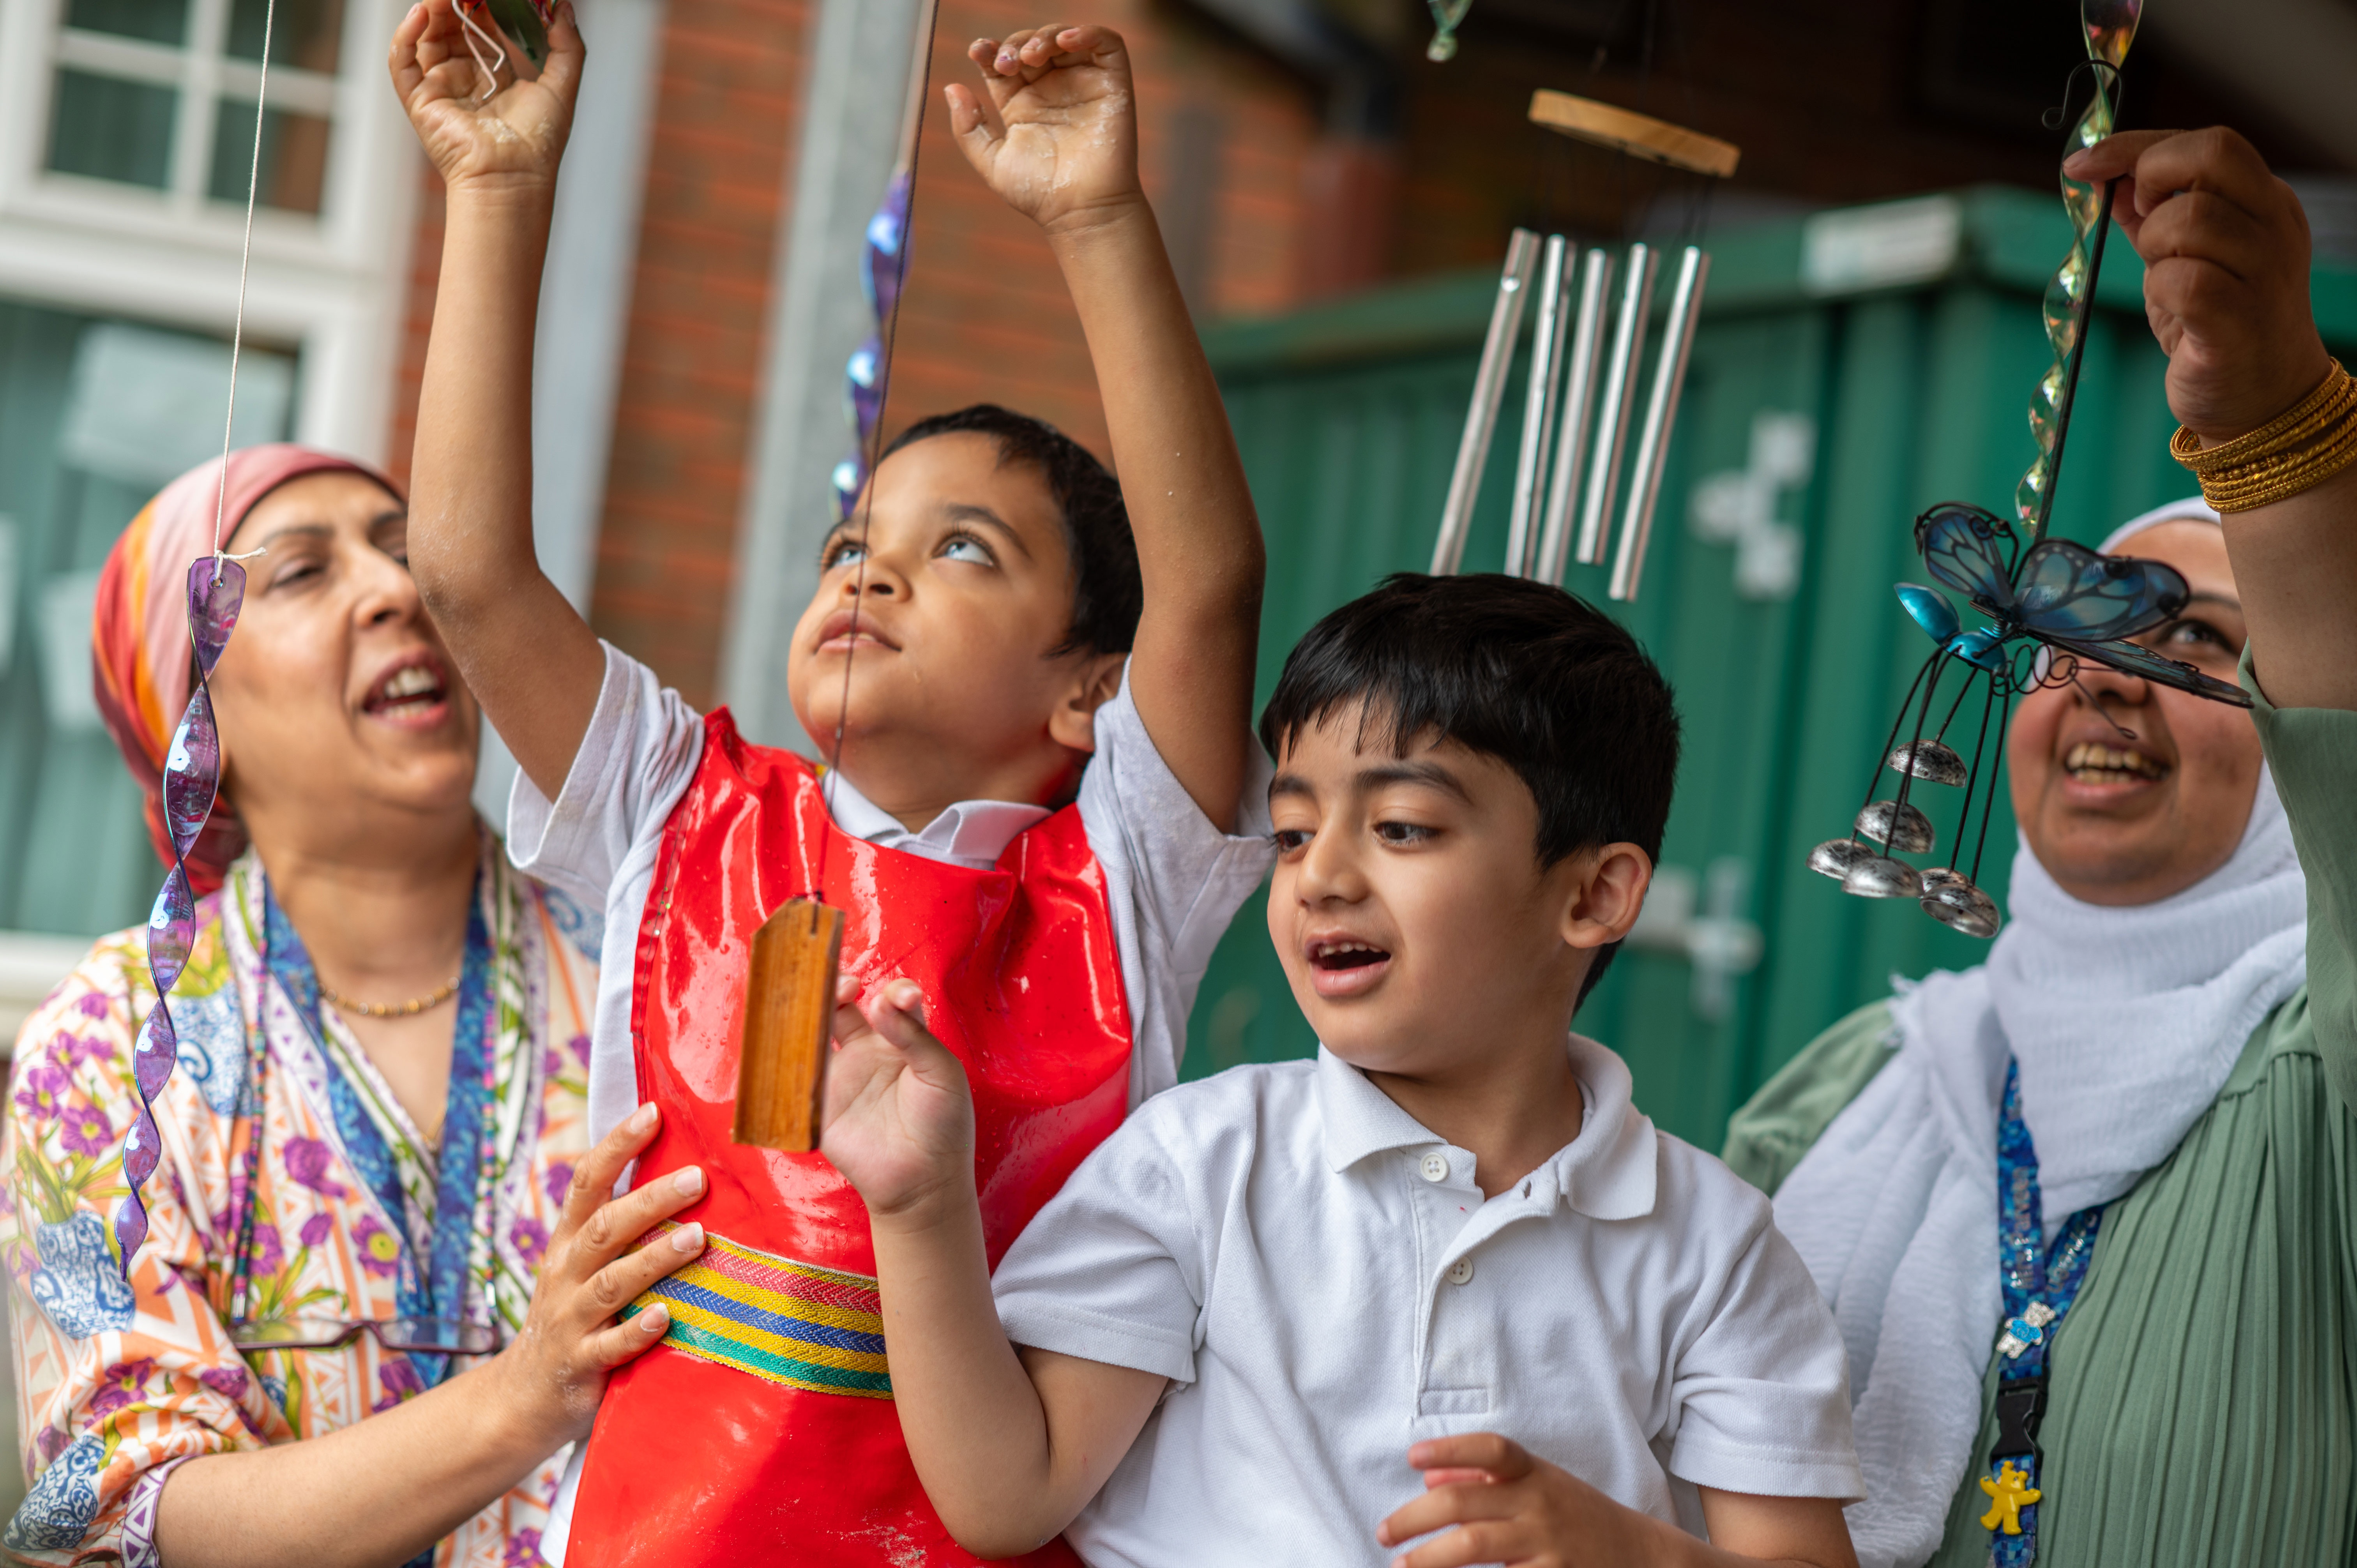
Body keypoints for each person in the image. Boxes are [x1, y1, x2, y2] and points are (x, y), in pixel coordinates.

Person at [389, 9, 1272, 1564]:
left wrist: (1096, 215)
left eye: (962, 552)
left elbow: (1205, 592)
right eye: (855, 543)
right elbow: (464, 572)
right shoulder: (682, 804)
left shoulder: (1126, 874)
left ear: (1090, 692)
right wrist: (495, 190)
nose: (874, 571)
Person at [821, 574, 1864, 1568]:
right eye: (1291, 832)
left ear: (1593, 897)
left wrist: (1626, 1550)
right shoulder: (1200, 1162)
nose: (1320, 875)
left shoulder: (1719, 1247)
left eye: (1402, 827)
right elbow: (1009, 1494)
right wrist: (919, 1208)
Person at [1721, 126, 2357, 1568]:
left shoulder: (2323, 1085)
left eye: (2198, 639)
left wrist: (2278, 428)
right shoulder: (1858, 1089)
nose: (2108, 675)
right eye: (2074, 628)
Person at [0, 445, 712, 1568]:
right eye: (299, 575)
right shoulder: (105, 1049)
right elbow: (125, 1510)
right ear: (196, 726)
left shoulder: (658, 964)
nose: (396, 591)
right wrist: (520, 1401)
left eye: (403, 551)